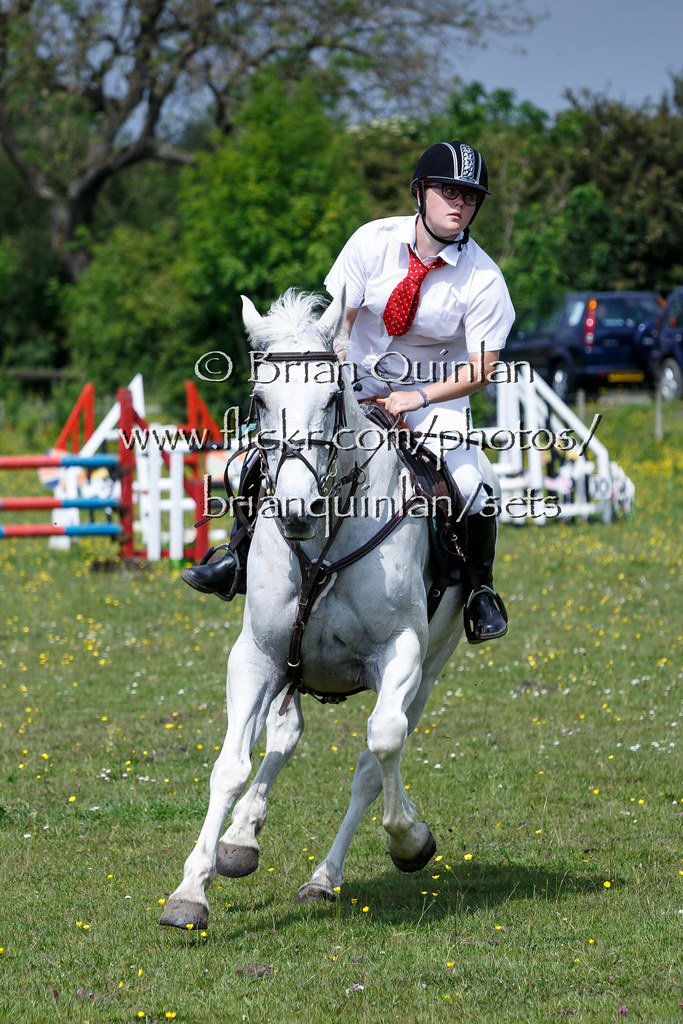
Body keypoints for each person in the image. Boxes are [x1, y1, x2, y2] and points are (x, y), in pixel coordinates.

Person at [182, 139, 514, 643]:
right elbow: (338, 325)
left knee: (471, 488)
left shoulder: (484, 278)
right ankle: (238, 558)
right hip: (351, 385)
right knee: (250, 462)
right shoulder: (370, 241)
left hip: (434, 401)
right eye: (449, 191)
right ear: (420, 192)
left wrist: (415, 398)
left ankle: (479, 591)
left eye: (470, 197)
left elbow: (482, 368)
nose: (460, 204)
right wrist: (333, 385)